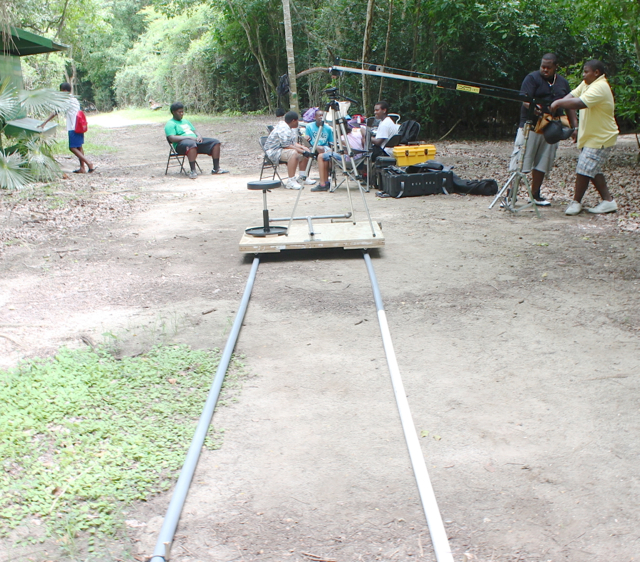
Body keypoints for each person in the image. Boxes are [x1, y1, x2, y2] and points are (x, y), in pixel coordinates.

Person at [550, 59, 619, 215]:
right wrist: (557, 102)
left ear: (596, 73)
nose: (583, 74)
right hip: (591, 135)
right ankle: (608, 201)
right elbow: (572, 95)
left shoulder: (600, 86)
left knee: (583, 167)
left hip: (601, 137)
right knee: (592, 169)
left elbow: (580, 102)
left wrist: (558, 104)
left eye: (586, 71)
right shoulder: (587, 84)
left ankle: (576, 202)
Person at [509, 54, 576, 206]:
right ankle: (510, 194)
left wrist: (574, 126)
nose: (545, 69)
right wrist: (535, 109)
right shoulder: (532, 78)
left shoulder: (562, 82)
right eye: (542, 66)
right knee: (521, 160)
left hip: (552, 128)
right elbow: (525, 99)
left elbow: (569, 104)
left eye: (548, 67)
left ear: (555, 67)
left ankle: (535, 194)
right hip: (530, 126)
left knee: (543, 162)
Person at [40, 82, 95, 174]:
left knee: (72, 147)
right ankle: (82, 168)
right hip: (79, 125)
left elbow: (55, 112)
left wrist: (44, 122)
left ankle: (89, 163)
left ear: (64, 91)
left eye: (61, 91)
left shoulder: (67, 100)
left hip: (73, 126)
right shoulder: (74, 99)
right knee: (79, 146)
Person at [165, 102, 228, 179]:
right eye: (179, 112)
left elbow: (195, 131)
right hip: (181, 144)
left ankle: (216, 168)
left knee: (215, 142)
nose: (182, 113)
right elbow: (172, 138)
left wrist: (199, 136)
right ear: (174, 112)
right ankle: (193, 171)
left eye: (182, 111)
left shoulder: (186, 121)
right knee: (191, 144)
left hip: (195, 141)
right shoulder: (170, 124)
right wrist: (189, 138)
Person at [263, 111, 314, 189]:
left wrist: (303, 148)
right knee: (293, 153)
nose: (298, 123)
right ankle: (291, 181)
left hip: (284, 149)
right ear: (293, 121)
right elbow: (286, 145)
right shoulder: (283, 128)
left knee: (304, 151)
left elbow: (293, 143)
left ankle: (302, 177)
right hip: (274, 151)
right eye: (297, 121)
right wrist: (302, 151)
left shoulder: (291, 128)